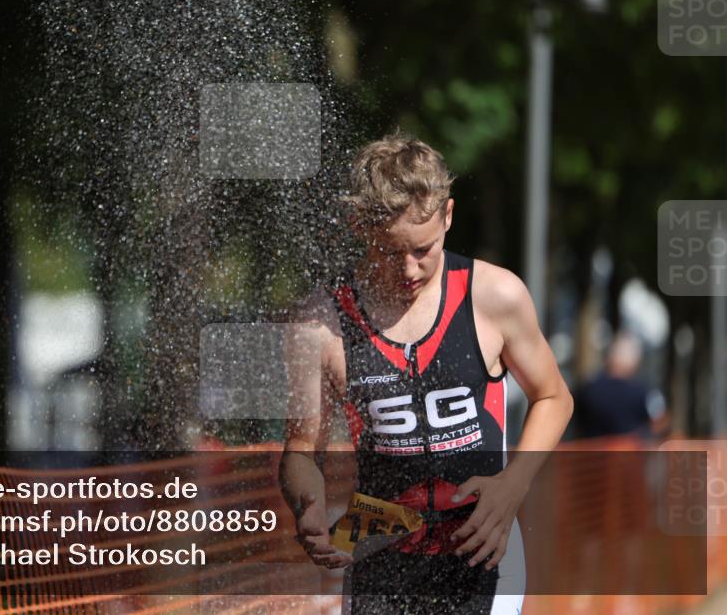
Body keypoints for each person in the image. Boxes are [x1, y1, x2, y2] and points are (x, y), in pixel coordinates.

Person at [278, 131, 574, 614]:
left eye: (424, 249)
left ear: (448, 216)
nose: (409, 269)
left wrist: (514, 484)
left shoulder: (494, 296)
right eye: (390, 252)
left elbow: (554, 397)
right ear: (360, 228)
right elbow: (299, 452)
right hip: (375, 537)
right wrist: (307, 504)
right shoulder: (320, 322)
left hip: (482, 534)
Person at [574, 331, 668, 439]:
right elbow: (660, 421)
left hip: (591, 453)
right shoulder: (644, 392)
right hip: (632, 453)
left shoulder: (588, 389)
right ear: (635, 362)